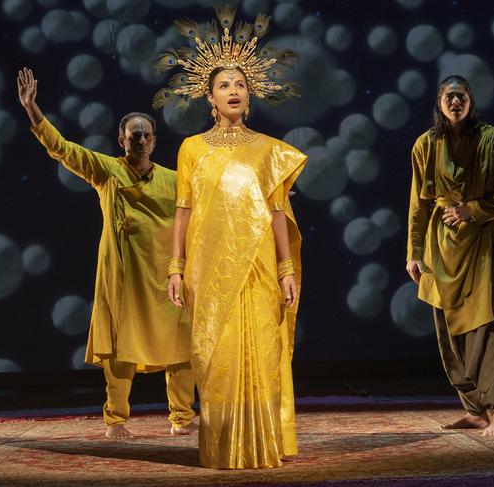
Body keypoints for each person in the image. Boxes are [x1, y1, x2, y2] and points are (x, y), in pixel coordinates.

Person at [155, 7, 307, 469]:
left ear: (251, 93)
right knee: (214, 356)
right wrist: (175, 268)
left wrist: (285, 270)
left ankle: (262, 444)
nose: (234, 91)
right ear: (209, 97)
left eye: (240, 84)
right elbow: (184, 211)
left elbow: (278, 212)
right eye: (224, 85)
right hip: (207, 267)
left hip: (259, 267)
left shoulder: (269, 152)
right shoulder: (191, 149)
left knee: (262, 351)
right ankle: (221, 446)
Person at [17, 67, 196, 440]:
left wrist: (263, 198)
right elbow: (63, 150)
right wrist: (33, 109)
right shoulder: (107, 172)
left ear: (155, 140)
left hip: (168, 278)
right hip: (123, 278)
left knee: (181, 346)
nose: (141, 141)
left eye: (146, 135)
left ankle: (182, 417)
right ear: (122, 139)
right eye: (135, 136)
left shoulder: (176, 181)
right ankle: (116, 421)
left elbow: (215, 202)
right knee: (120, 349)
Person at [406, 75, 494, 437]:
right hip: (442, 246)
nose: (455, 104)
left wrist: (474, 211)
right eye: (449, 98)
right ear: (439, 102)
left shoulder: (492, 140)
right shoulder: (425, 145)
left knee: (490, 325)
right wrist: (413, 252)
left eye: (461, 97)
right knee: (448, 329)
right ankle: (474, 409)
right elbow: (418, 203)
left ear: (470, 101)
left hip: (487, 244)